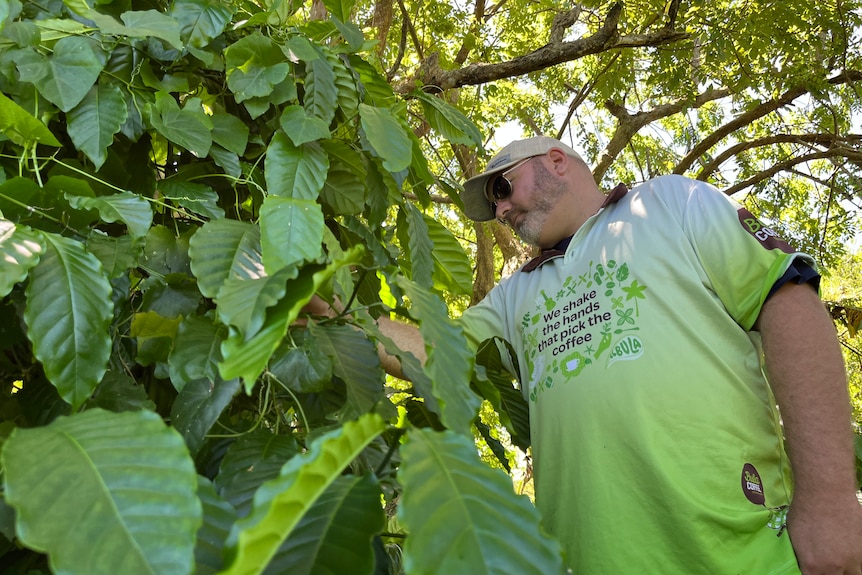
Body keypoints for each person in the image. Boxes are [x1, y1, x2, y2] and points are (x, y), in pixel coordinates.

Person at [312, 136, 862, 573]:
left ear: (556, 161)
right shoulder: (514, 295)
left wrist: (832, 500)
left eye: (503, 187)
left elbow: (787, 299)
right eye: (494, 205)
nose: (501, 209)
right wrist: (324, 303)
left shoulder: (670, 203)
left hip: (737, 557)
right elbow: (438, 353)